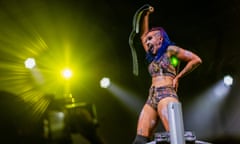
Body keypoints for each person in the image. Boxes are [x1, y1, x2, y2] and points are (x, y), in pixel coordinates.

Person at [131, 4, 202, 144]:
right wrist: (146, 15)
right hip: (152, 97)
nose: (147, 42)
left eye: (150, 39)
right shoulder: (152, 56)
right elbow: (142, 36)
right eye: (147, 40)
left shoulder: (170, 50)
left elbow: (196, 59)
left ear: (160, 39)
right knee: (139, 139)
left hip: (166, 94)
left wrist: (178, 76)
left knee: (175, 137)